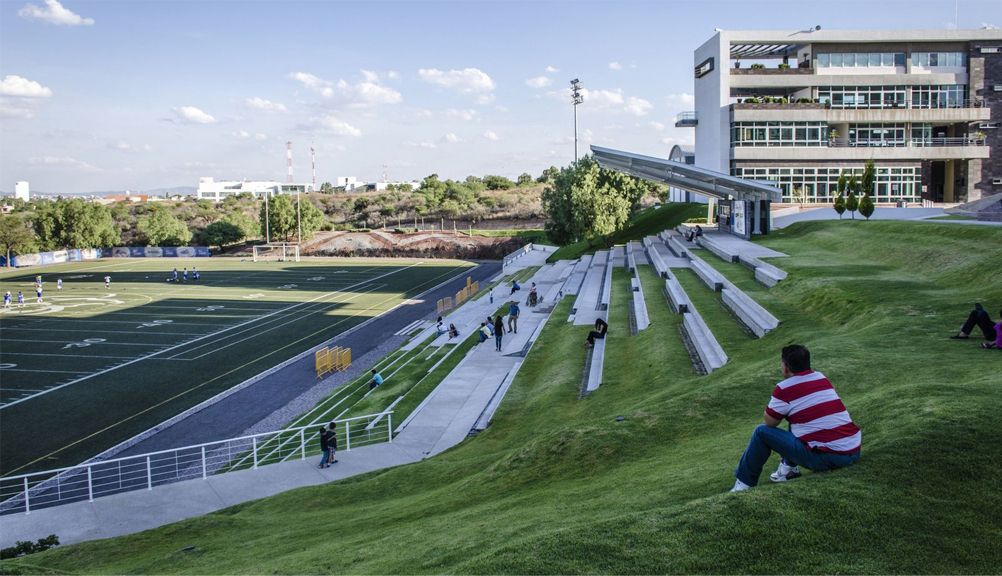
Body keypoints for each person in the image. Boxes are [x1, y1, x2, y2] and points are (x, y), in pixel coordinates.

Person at [731, 344, 861, 492]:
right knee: (798, 420)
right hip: (853, 450)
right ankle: (788, 470)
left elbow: (770, 422)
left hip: (829, 457)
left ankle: (743, 485)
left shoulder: (784, 388)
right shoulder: (821, 377)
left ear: (786, 367)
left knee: (761, 432)